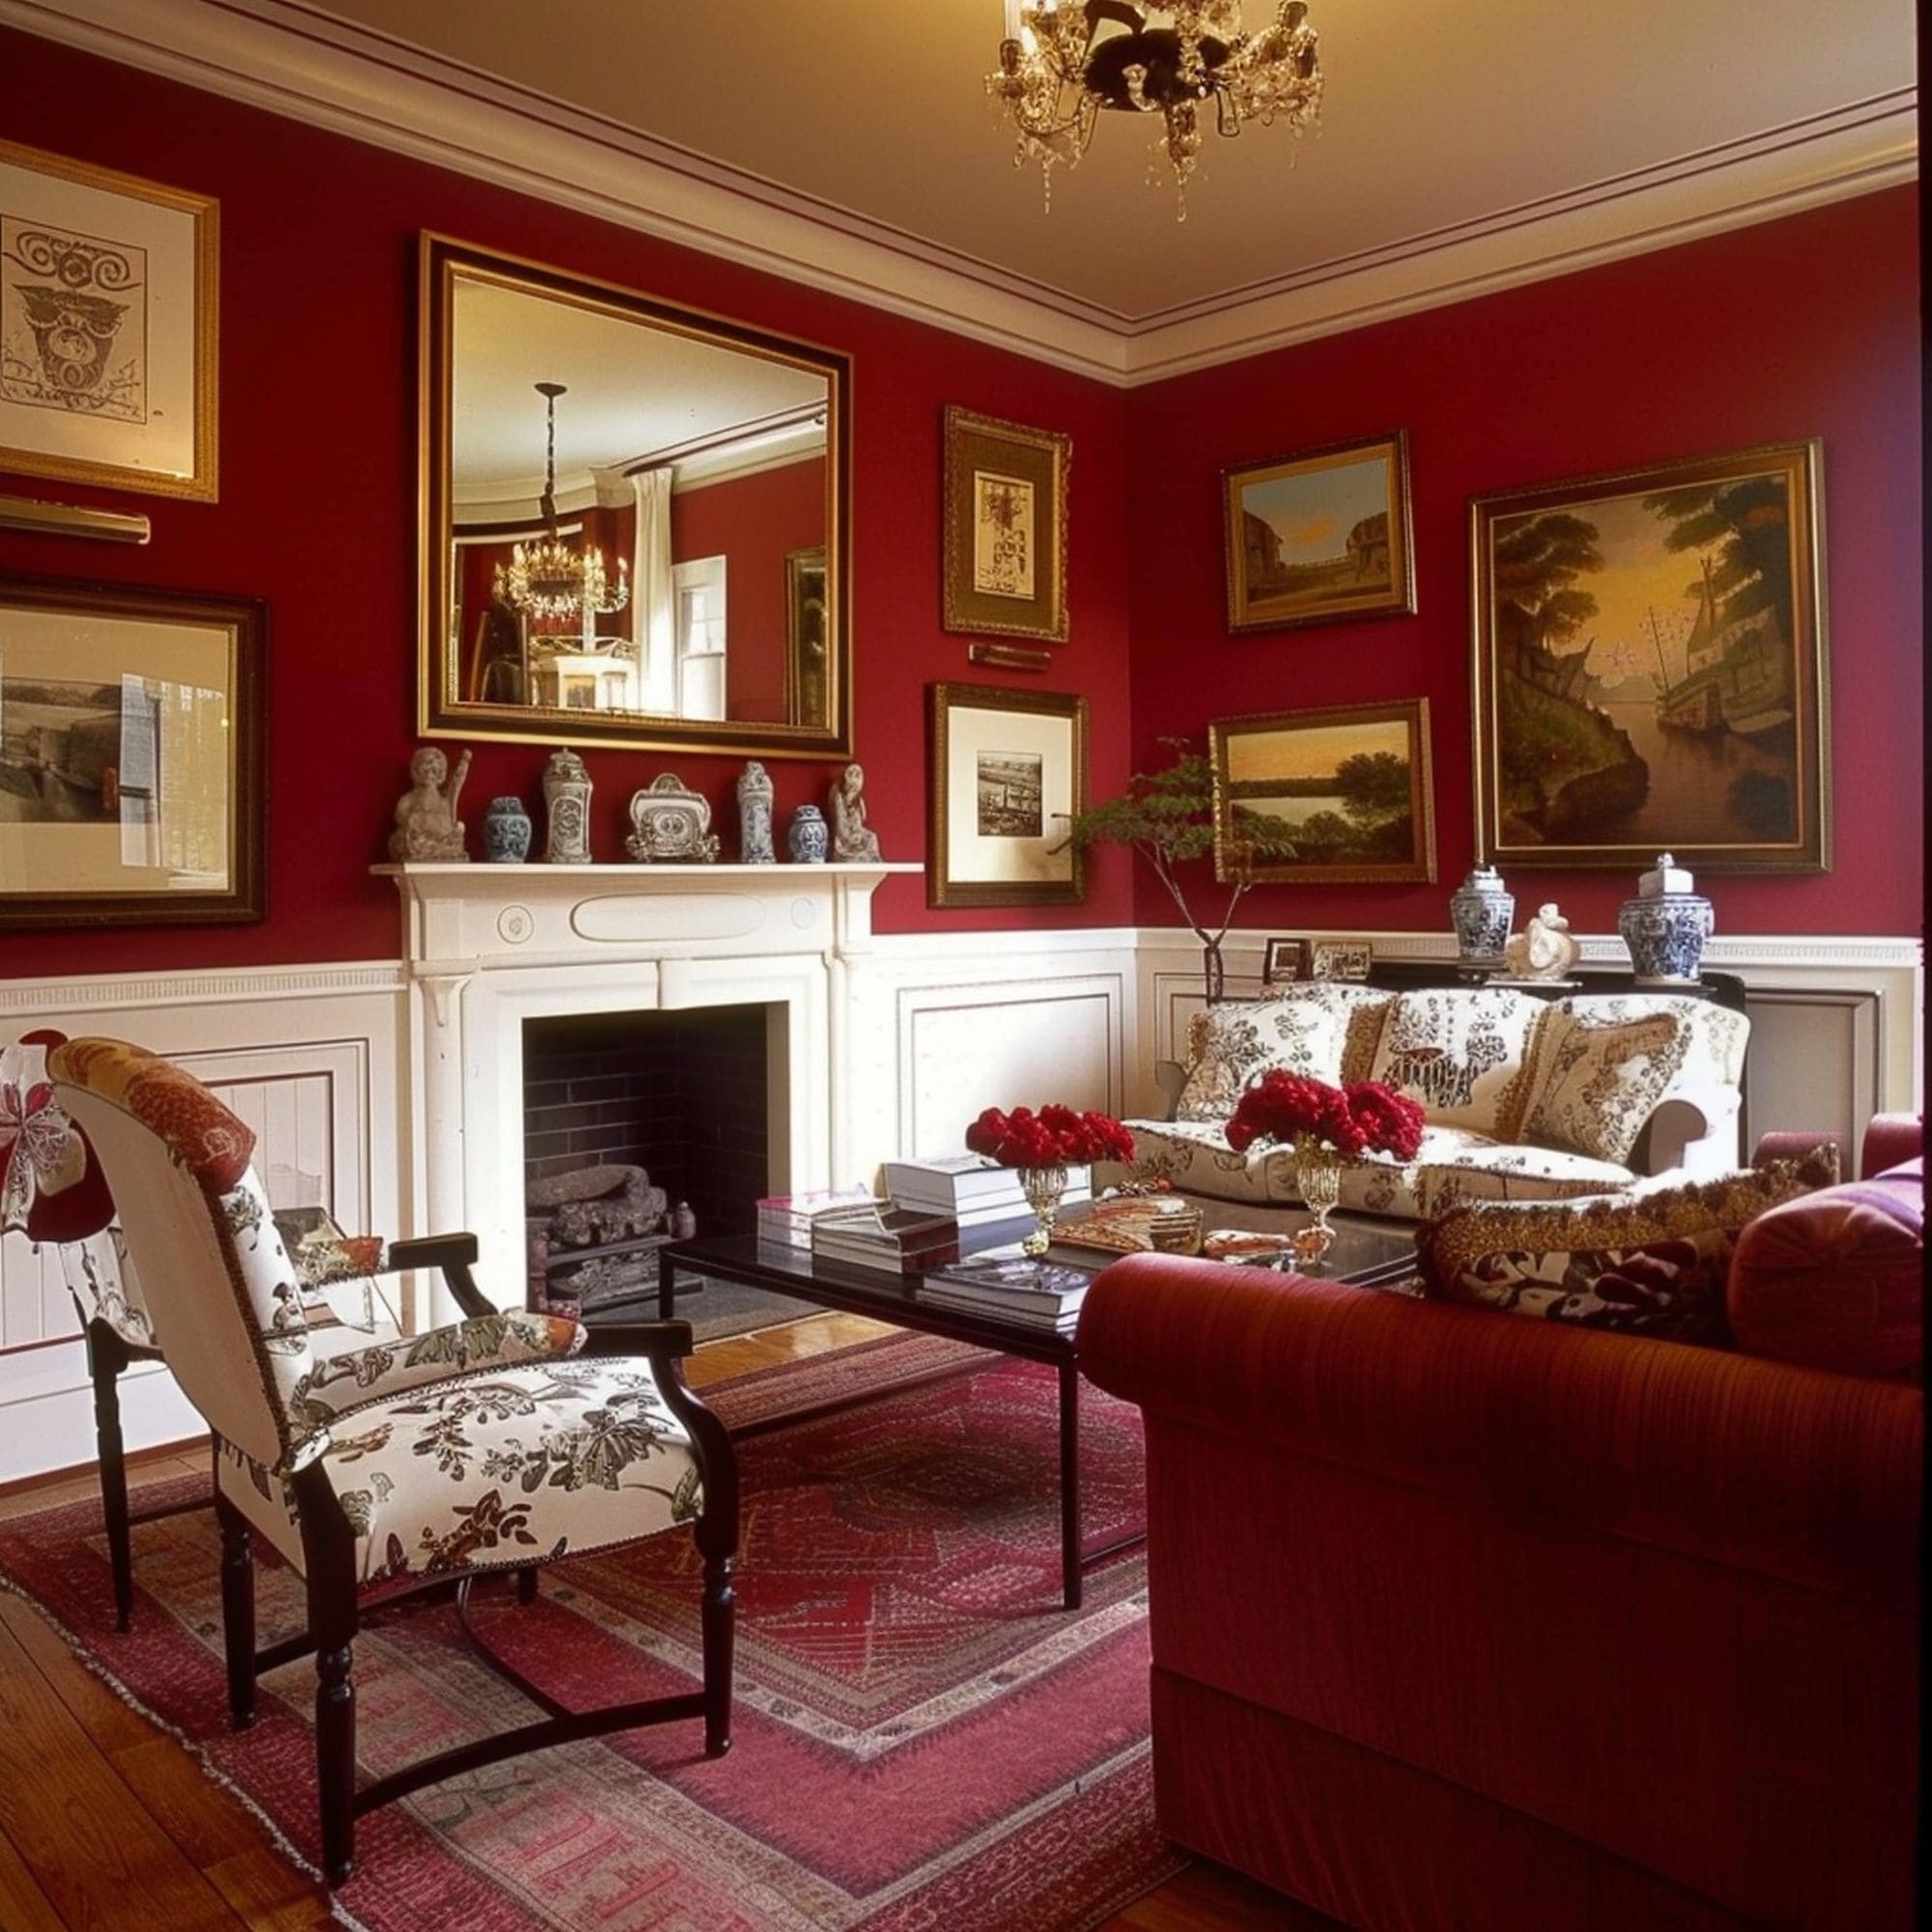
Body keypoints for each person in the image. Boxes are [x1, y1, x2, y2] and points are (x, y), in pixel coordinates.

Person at [388, 745, 471, 862]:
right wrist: (415, 820)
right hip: (419, 841)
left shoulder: (444, 802)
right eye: (425, 771)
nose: (429, 775)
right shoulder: (409, 799)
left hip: (442, 842)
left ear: (440, 774)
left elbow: (448, 823)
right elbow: (401, 817)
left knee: (454, 839)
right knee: (405, 840)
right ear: (416, 772)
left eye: (434, 771)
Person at [828, 760, 881, 862]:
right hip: (844, 834)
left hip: (856, 832)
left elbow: (861, 819)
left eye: (857, 775)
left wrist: (858, 832)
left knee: (871, 838)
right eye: (851, 774)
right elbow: (840, 823)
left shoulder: (858, 800)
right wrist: (849, 836)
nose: (854, 780)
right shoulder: (839, 798)